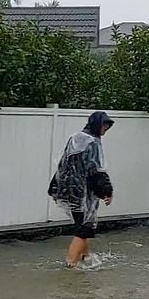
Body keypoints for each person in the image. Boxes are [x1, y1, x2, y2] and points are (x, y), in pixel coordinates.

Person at [48, 111, 114, 267]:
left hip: (69, 190)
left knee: (82, 224)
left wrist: (56, 187)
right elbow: (96, 170)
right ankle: (70, 264)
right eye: (105, 125)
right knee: (84, 229)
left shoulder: (76, 138)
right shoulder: (93, 142)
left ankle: (85, 256)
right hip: (84, 192)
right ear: (98, 124)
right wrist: (107, 191)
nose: (106, 129)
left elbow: (63, 164)